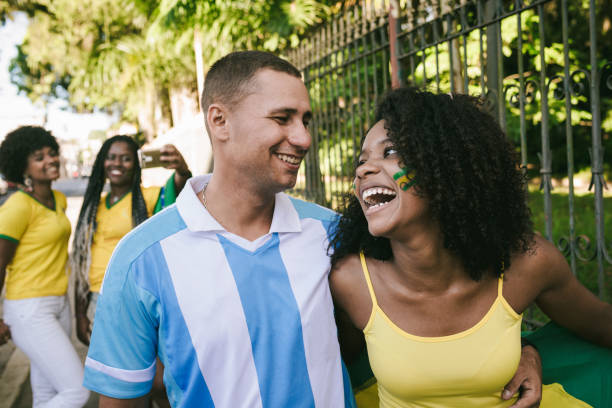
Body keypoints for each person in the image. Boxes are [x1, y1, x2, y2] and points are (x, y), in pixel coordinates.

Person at [82, 52, 540, 407]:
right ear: (218, 121)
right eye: (282, 119)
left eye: (306, 121)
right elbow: (122, 398)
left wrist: (521, 353)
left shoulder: (337, 237)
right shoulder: (140, 259)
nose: (303, 138)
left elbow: (446, 303)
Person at [328, 87, 612, 407]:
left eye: (390, 151)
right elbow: (328, 371)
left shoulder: (528, 265)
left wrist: (531, 352)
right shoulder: (351, 281)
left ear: (448, 167)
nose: (363, 169)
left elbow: (602, 330)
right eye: (361, 160)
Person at [71, 135, 191, 346]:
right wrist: (80, 314)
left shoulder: (150, 197)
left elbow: (181, 190)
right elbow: (81, 262)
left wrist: (182, 169)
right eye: (111, 157)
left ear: (137, 164)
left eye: (125, 158)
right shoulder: (94, 205)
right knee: (109, 367)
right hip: (97, 298)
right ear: (102, 162)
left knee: (141, 365)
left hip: (134, 298)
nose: (117, 163)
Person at [0, 126, 90, 407]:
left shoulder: (58, 200)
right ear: (23, 166)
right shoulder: (18, 206)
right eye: (39, 157)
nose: (50, 160)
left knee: (47, 394)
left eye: (52, 154)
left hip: (59, 304)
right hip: (29, 308)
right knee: (77, 391)